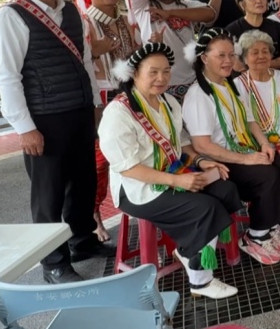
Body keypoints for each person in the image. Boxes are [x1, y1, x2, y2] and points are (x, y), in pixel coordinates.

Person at [0, 0, 113, 284]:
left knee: (83, 184)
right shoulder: (10, 16)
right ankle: (53, 264)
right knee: (49, 196)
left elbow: (84, 61)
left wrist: (94, 104)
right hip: (43, 120)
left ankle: (82, 242)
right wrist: (24, 127)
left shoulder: (71, 11)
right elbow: (7, 77)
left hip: (79, 112)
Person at [98, 43, 239, 299]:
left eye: (166, 71)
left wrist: (200, 161)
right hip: (138, 190)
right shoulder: (118, 113)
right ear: (134, 73)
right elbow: (128, 168)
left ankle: (187, 250)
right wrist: (177, 181)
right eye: (153, 72)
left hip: (174, 172)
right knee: (205, 208)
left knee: (226, 189)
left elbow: (181, 143)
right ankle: (200, 281)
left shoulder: (168, 101)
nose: (161, 78)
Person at [182, 28, 280, 265]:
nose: (228, 61)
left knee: (279, 163)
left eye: (231, 55)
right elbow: (202, 145)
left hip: (241, 148)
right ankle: (255, 236)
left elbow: (249, 120)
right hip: (217, 160)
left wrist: (264, 144)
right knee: (267, 174)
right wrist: (247, 159)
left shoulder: (230, 85)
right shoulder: (198, 95)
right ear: (204, 58)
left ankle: (268, 225)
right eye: (221, 56)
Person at [79, 0, 146, 243]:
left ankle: (142, 202)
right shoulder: (83, 21)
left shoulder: (127, 20)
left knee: (138, 151)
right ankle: (94, 215)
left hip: (130, 95)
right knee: (99, 161)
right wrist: (93, 52)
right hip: (101, 99)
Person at [233, 31, 280, 234]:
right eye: (254, 52)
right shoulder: (238, 85)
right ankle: (275, 216)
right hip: (256, 145)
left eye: (265, 51)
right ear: (244, 58)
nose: (261, 56)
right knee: (275, 170)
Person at [129, 0, 216, 101]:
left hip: (191, 81)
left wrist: (170, 13)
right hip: (157, 83)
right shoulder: (141, 5)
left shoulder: (186, 5)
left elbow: (210, 14)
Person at [225, 0, 280, 72]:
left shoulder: (277, 26)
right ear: (242, 5)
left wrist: (262, 65)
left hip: (275, 76)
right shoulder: (232, 30)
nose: (259, 1)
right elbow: (232, 61)